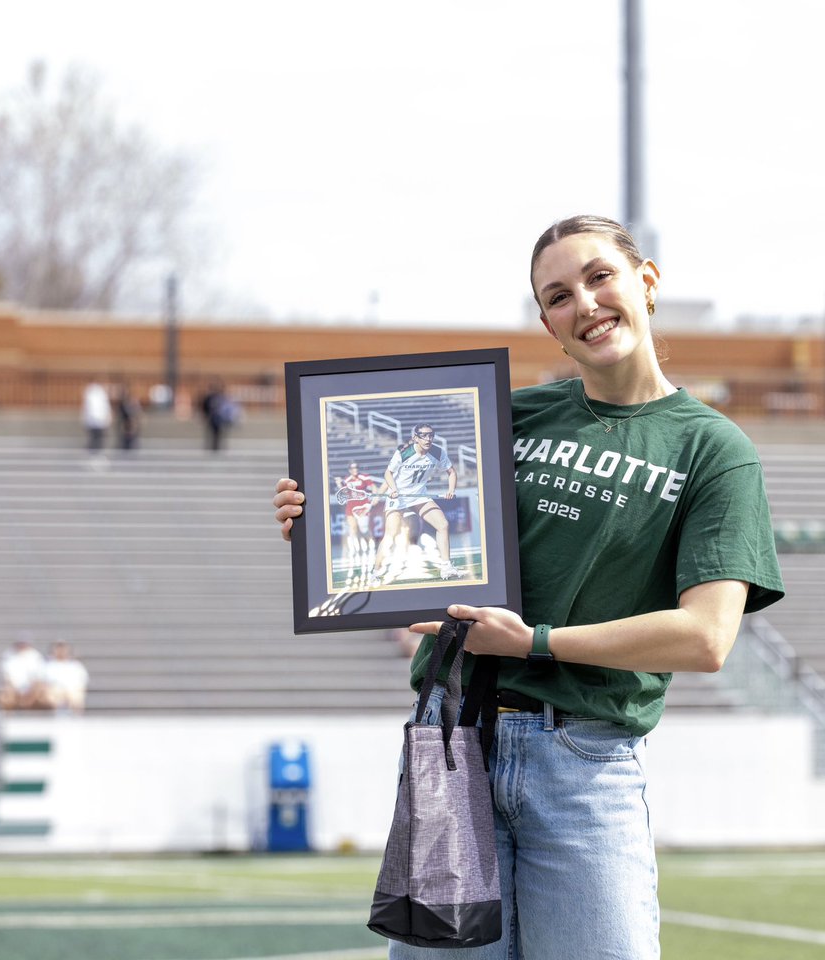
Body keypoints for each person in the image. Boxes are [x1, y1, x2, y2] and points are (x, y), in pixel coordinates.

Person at [273, 215, 784, 959]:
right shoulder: (498, 418)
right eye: (558, 295)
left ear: (646, 282)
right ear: (547, 322)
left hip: (583, 764)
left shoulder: (713, 449)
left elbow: (706, 638)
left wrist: (536, 642)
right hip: (453, 745)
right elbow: (409, 545)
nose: (585, 304)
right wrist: (324, 528)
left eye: (599, 278)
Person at [371, 425, 461, 583]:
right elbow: (388, 473)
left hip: (419, 495)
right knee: (390, 536)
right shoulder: (404, 452)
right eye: (424, 436)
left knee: (443, 524)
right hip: (398, 497)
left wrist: (451, 489)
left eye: (431, 435)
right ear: (415, 438)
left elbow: (451, 472)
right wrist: (392, 489)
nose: (428, 439)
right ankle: (375, 574)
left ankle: (446, 567)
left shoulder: (438, 452)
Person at [334, 461, 381, 582]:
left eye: (356, 467)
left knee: (365, 530)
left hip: (363, 507)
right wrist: (339, 484)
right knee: (353, 530)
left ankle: (372, 548)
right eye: (353, 468)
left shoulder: (364, 477)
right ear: (349, 469)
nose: (355, 469)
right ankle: (355, 554)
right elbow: (343, 492)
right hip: (351, 507)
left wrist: (375, 496)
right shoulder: (347, 479)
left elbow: (374, 488)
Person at [0, 638, 46, 710]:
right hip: (13, 688)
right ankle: (7, 717)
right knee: (4, 694)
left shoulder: (35, 656)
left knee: (41, 691)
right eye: (21, 643)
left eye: (24, 644)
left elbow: (38, 678)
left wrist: (30, 691)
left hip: (31, 689)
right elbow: (6, 678)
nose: (22, 646)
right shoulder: (7, 655)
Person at [41, 641, 89, 714]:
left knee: (76, 696)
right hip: (54, 692)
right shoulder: (48, 666)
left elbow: (83, 683)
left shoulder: (76, 665)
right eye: (58, 649)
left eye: (63, 649)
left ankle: (77, 720)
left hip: (71, 691)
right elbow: (44, 683)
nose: (61, 651)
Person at [81, 380, 112, 452]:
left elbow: (105, 407)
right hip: (93, 421)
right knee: (93, 439)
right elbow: (87, 408)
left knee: (99, 440)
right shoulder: (90, 393)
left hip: (99, 421)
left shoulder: (101, 393)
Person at [113, 381, 142, 451]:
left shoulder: (133, 402)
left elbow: (136, 415)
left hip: (131, 430)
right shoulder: (122, 405)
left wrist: (133, 425)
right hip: (124, 430)